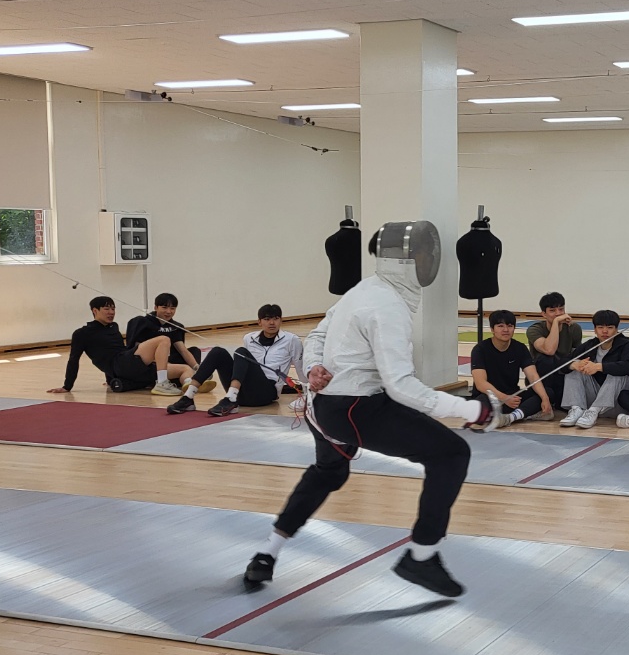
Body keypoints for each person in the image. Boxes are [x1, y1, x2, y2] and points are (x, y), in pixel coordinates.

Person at [242, 220, 498, 597]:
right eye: (423, 252)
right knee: (451, 453)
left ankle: (267, 553)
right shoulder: (387, 305)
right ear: (406, 259)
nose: (428, 259)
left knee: (329, 472)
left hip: (322, 407)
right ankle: (422, 556)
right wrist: (471, 410)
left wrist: (314, 366)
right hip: (356, 409)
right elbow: (401, 385)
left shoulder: (362, 290)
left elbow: (318, 334)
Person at [167, 304, 304, 416]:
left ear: (281, 320)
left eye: (276, 318)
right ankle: (188, 397)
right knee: (218, 352)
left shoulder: (291, 340)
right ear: (259, 322)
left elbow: (300, 367)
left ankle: (231, 399)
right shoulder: (249, 338)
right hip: (242, 392)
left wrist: (309, 393)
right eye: (267, 319)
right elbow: (244, 368)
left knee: (241, 353)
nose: (272, 323)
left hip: (266, 393)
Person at [49, 296, 201, 397]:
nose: (111, 312)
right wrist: (67, 386)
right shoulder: (82, 333)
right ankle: (161, 383)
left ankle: (189, 386)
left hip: (129, 366)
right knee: (163, 339)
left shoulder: (113, 327)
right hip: (121, 365)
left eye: (113, 309)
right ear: (95, 311)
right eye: (107, 309)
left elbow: (113, 351)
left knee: (185, 368)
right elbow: (74, 359)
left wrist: (110, 379)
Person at [469, 309, 553, 425]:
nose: (506, 330)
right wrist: (503, 398)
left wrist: (545, 398)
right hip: (489, 396)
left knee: (547, 392)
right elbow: (480, 383)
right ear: (492, 329)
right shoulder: (480, 349)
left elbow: (533, 376)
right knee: (479, 407)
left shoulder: (520, 348)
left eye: (509, 326)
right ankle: (515, 414)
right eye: (500, 326)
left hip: (512, 396)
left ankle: (511, 417)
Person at [561, 310, 629, 429]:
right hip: (593, 399)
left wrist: (598, 366)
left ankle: (593, 411)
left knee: (617, 373)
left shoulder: (626, 345)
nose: (605, 331)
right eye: (600, 327)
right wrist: (575, 365)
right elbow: (562, 362)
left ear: (616, 329)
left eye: (610, 327)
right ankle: (576, 409)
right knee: (575, 366)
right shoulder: (590, 345)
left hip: (616, 402)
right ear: (595, 329)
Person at [526, 292, 583, 410]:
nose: (558, 314)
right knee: (546, 359)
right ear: (544, 314)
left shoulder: (574, 329)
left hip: (562, 374)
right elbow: (549, 350)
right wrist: (556, 323)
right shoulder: (534, 330)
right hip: (541, 378)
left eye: (561, 309)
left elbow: (577, 355)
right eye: (552, 311)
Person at [127, 293, 202, 370]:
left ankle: (192, 372)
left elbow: (182, 350)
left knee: (195, 351)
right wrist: (162, 363)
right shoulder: (143, 323)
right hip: (150, 362)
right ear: (156, 307)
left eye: (172, 308)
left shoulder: (175, 327)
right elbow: (137, 350)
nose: (168, 311)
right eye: (164, 307)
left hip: (169, 360)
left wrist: (196, 367)